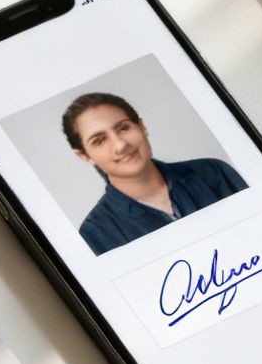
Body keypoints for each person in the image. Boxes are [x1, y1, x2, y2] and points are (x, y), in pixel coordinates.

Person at [62, 91, 245, 254]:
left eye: (124, 128)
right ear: (84, 156)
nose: (120, 145)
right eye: (99, 140)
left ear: (142, 127)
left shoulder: (213, 173)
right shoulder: (95, 233)